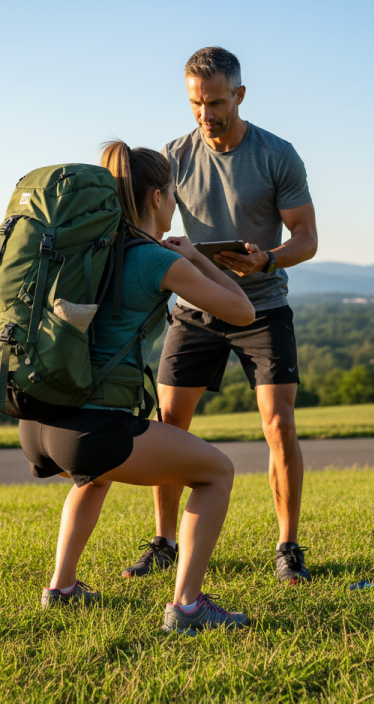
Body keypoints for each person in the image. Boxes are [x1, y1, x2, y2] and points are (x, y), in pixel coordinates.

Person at [18, 140, 256, 633]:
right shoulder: (153, 259)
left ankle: (61, 589)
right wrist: (197, 259)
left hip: (39, 424)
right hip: (90, 431)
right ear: (156, 198)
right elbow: (243, 310)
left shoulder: (85, 249)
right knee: (217, 472)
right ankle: (188, 607)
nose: (176, 204)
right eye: (173, 193)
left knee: (95, 477)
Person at [122, 47, 319, 585]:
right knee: (168, 425)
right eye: (195, 104)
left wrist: (267, 258)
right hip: (195, 306)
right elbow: (146, 218)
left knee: (279, 425)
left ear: (239, 95)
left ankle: (287, 547)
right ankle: (163, 541)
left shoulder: (278, 154)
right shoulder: (175, 156)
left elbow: (307, 239)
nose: (205, 115)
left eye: (215, 103)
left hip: (263, 305)